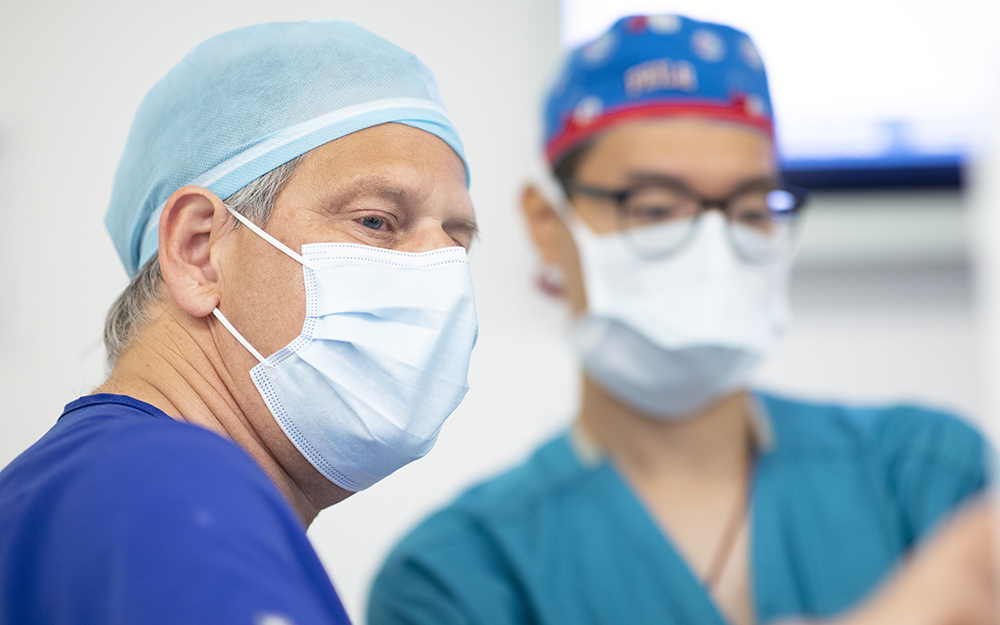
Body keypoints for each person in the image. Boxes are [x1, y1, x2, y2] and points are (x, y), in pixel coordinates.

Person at [368, 14, 995, 625]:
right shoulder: (460, 577)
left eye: (750, 209)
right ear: (547, 225)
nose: (714, 250)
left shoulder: (924, 475)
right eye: (658, 207)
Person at [0, 20, 479, 624]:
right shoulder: (173, 495)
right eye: (377, 222)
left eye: (457, 241)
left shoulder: (77, 490)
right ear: (199, 251)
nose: (439, 271)